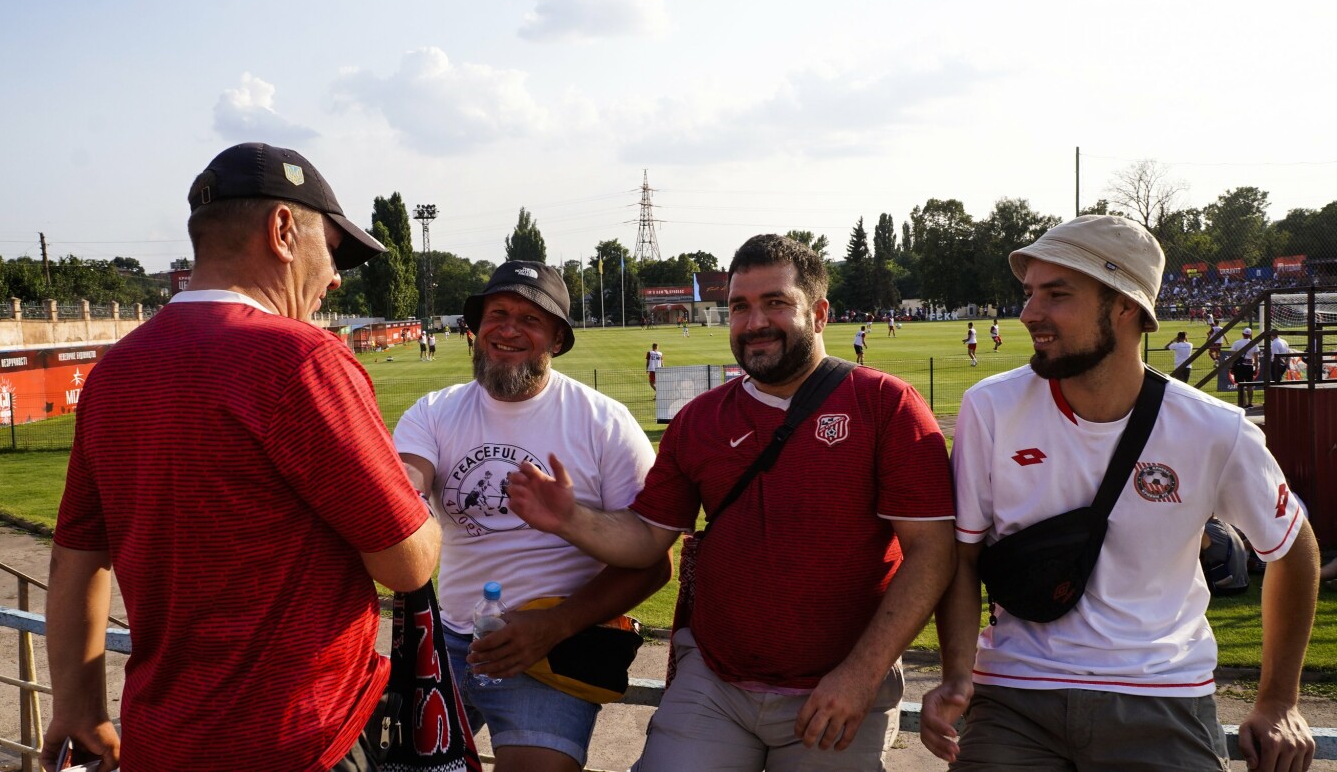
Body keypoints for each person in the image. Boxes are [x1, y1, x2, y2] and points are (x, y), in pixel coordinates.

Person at [43, 142, 442, 771]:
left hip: (161, 742)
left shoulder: (113, 374)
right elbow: (408, 561)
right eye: (332, 251)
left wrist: (77, 704)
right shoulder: (302, 358)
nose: (336, 277)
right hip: (299, 741)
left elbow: (75, 559)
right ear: (284, 231)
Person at [507, 234, 956, 772]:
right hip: (716, 680)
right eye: (740, 307)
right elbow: (649, 537)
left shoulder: (886, 405)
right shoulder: (701, 418)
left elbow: (932, 552)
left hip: (837, 683)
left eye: (775, 303)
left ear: (819, 314)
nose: (753, 322)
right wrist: (571, 518)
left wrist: (861, 674)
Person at [921, 214, 1319, 772]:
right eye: (1031, 292)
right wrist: (959, 675)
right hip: (1016, 696)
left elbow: (1293, 548)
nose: (1029, 312)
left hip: (1163, 697)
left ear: (1126, 305)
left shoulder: (1214, 429)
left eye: (1057, 294)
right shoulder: (992, 408)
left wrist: (1278, 701)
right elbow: (961, 556)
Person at [393, 261, 667, 772]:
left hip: (553, 646)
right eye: (498, 313)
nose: (508, 328)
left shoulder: (604, 423)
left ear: (557, 339)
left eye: (530, 319)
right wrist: (401, 492)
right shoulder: (435, 411)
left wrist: (553, 624)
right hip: (452, 638)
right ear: (477, 328)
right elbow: (408, 478)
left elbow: (653, 564)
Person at [1231, 326, 1256, 408]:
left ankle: (1243, 403)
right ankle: (1250, 403)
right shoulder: (1254, 344)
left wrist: (1231, 367)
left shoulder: (1236, 343)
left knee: (1240, 385)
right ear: (1250, 335)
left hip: (1239, 366)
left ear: (1243, 334)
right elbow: (1256, 357)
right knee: (1250, 385)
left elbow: (1233, 356)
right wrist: (1255, 367)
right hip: (1249, 365)